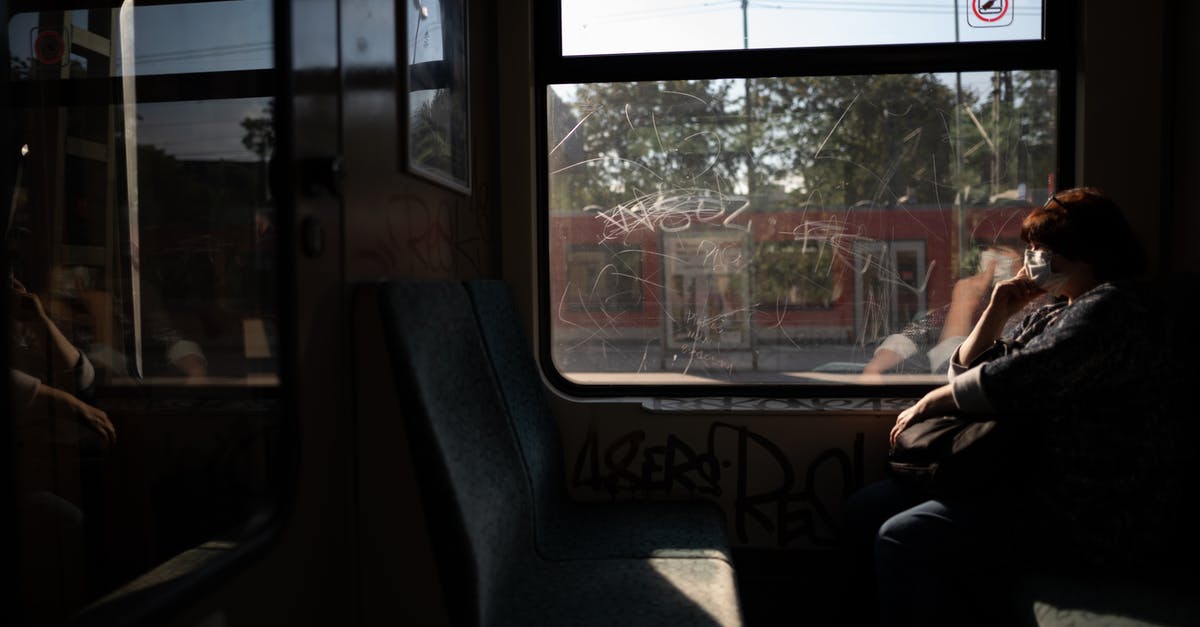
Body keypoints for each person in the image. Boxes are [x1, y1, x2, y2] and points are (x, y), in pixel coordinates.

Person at [842, 187, 1186, 626]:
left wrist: (929, 403)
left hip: (1088, 503)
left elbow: (1012, 380)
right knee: (865, 508)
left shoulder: (1112, 308)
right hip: (1024, 475)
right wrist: (998, 310)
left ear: (1081, 251)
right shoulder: (1056, 311)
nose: (1032, 258)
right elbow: (966, 378)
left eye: (1041, 248)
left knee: (903, 536)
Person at [862, 242, 1027, 375]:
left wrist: (964, 303)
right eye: (988, 248)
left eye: (1001, 250)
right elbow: (918, 331)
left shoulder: (1029, 318)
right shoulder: (977, 301)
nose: (992, 261)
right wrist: (878, 365)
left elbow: (956, 377)